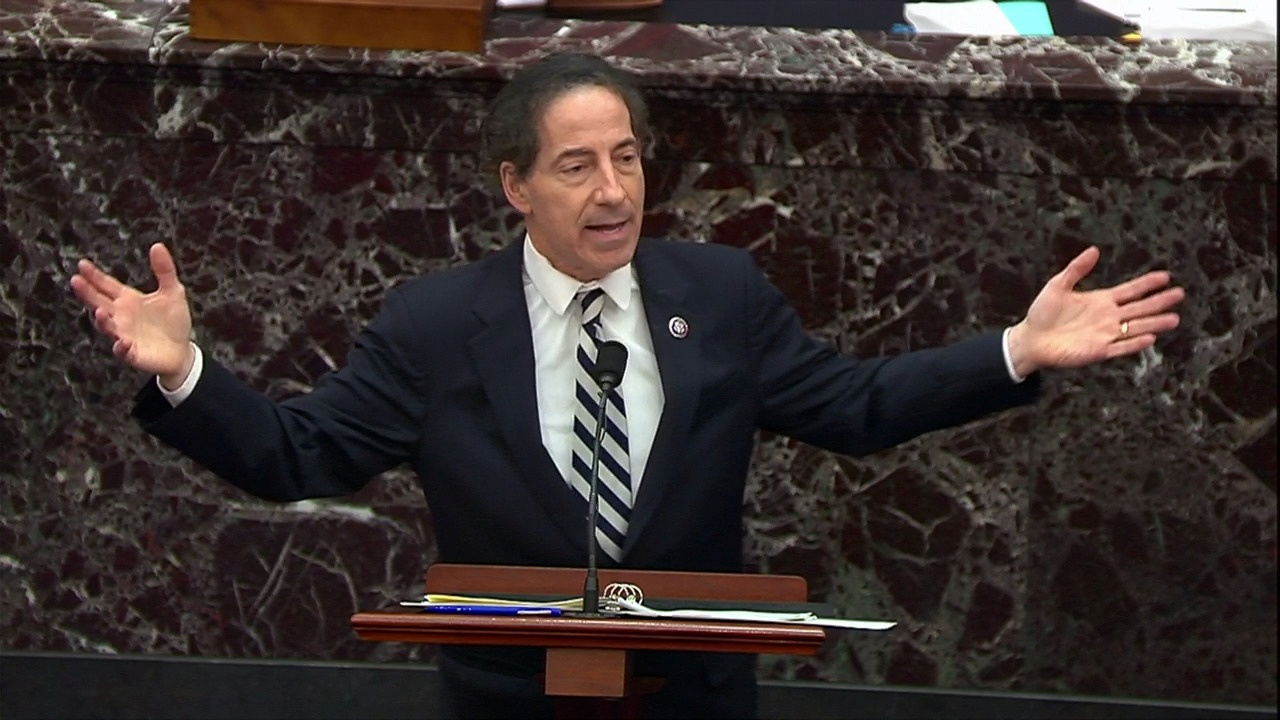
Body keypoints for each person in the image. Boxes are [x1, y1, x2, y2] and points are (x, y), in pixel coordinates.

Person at [69, 53, 1184, 719]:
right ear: (514, 185)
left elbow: (851, 407)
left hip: (692, 694)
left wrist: (1014, 351)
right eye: (575, 166)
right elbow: (297, 455)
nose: (613, 192)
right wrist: (186, 375)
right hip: (509, 703)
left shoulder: (721, 290)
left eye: (629, 158)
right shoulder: (436, 326)